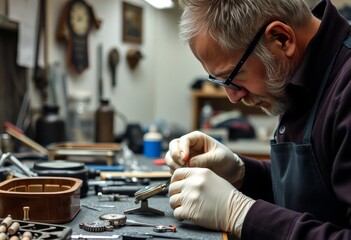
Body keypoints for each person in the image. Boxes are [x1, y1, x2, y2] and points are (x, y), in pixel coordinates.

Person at [165, 0, 351, 239]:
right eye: (219, 81)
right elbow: (318, 194)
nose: (232, 97)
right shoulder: (297, 76)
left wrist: (241, 214)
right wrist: (241, 173)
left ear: (281, 39)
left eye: (233, 76)